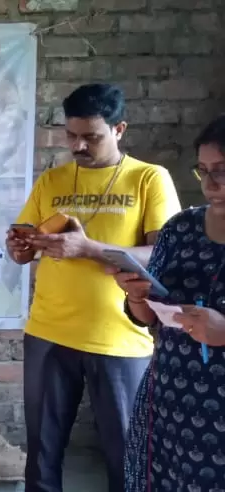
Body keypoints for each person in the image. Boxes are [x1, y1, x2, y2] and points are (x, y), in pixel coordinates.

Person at [4, 83, 181, 492]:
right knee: (42, 455)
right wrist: (19, 248)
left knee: (126, 456)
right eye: (71, 135)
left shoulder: (148, 179)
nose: (78, 146)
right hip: (48, 332)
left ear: (119, 129)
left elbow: (163, 254)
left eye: (91, 136)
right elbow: (26, 249)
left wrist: (88, 248)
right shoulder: (52, 180)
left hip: (120, 337)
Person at [112, 114, 225, 491]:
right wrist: (136, 296)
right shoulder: (180, 229)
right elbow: (148, 316)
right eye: (203, 170)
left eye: (222, 171)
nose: (210, 184)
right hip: (167, 402)